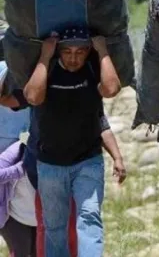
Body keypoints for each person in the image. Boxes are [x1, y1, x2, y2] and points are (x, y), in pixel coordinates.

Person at [22, 28, 123, 257]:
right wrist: (45, 57)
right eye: (67, 51)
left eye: (80, 51)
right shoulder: (48, 70)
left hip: (87, 162)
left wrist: (103, 51)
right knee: (55, 228)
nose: (74, 57)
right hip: (50, 166)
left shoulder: (92, 68)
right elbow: (33, 97)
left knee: (89, 220)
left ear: (88, 52)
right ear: (59, 51)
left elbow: (110, 91)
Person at [0, 140, 36, 257]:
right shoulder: (17, 151)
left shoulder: (60, 161)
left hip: (44, 222)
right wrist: (19, 169)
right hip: (14, 218)